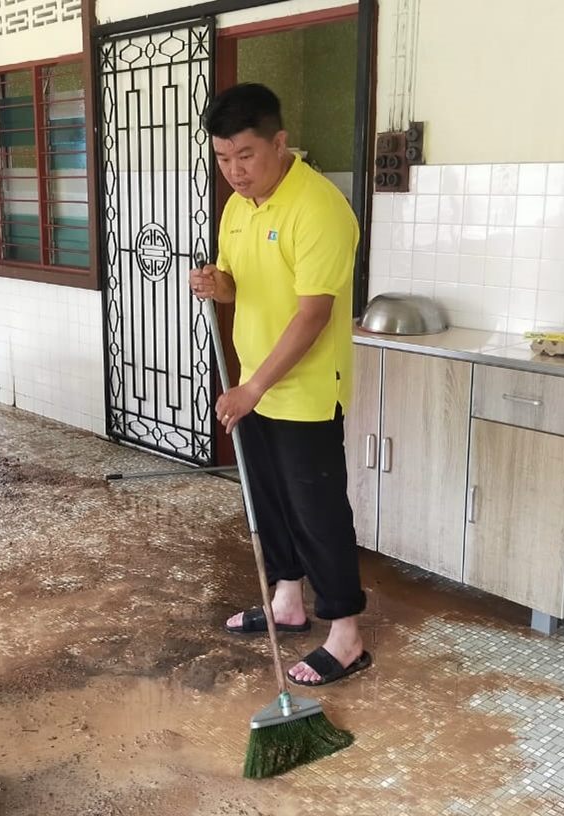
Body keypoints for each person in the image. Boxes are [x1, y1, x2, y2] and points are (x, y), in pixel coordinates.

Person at [190, 83, 370, 687]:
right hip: (256, 385)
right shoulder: (239, 208)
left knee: (317, 512)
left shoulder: (318, 208)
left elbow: (313, 312)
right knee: (267, 500)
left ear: (279, 142)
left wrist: (255, 386)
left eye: (245, 154)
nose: (234, 171)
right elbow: (250, 286)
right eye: (221, 158)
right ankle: (288, 600)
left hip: (304, 391)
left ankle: (346, 636)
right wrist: (222, 286)